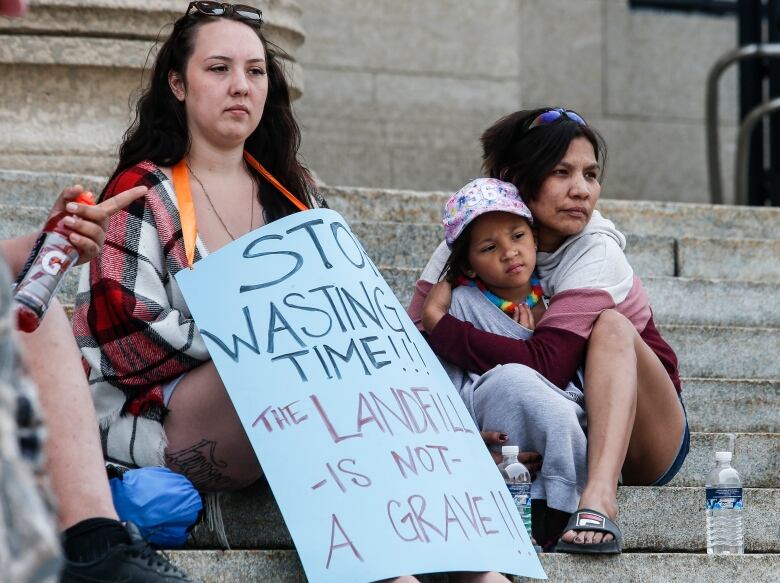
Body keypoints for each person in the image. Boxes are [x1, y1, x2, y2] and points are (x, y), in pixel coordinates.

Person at [412, 108, 689, 554]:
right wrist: (458, 434)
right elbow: (411, 349)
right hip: (554, 416)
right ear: (515, 178)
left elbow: (547, 365)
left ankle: (597, 498)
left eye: (590, 174)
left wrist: (443, 327)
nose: (581, 190)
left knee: (612, 326)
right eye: (561, 172)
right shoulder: (470, 234)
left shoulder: (597, 251)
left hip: (646, 432)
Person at [433, 177, 588, 548]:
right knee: (512, 380)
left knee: (560, 410)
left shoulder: (557, 297)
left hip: (561, 415)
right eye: (489, 247)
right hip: (493, 420)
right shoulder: (462, 304)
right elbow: (449, 382)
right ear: (468, 267)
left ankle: (562, 508)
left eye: (517, 236)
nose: (509, 252)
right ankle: (518, 510)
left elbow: (575, 375)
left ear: (535, 238)